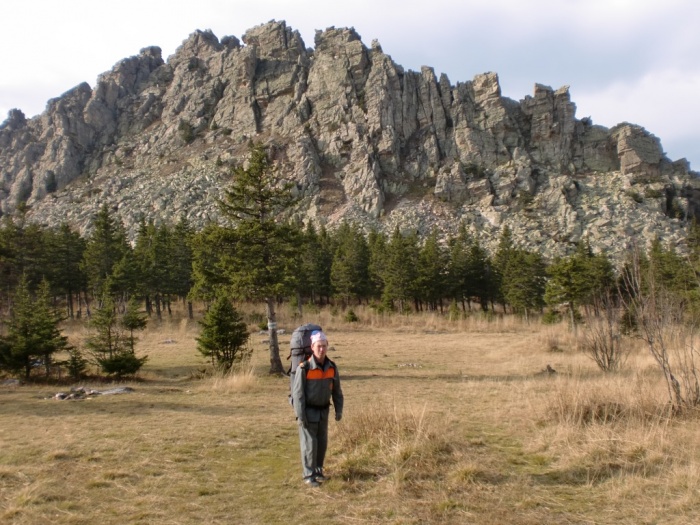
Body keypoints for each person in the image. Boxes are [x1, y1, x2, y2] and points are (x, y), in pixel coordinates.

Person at [292, 330, 344, 487]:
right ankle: (308, 475)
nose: (321, 349)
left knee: (322, 444)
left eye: (324, 346)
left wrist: (339, 410)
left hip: (323, 412)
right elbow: (298, 394)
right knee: (309, 444)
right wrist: (301, 416)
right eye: (318, 346)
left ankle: (318, 471)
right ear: (312, 347)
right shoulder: (304, 368)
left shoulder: (332, 367)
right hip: (308, 412)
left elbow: (337, 391)